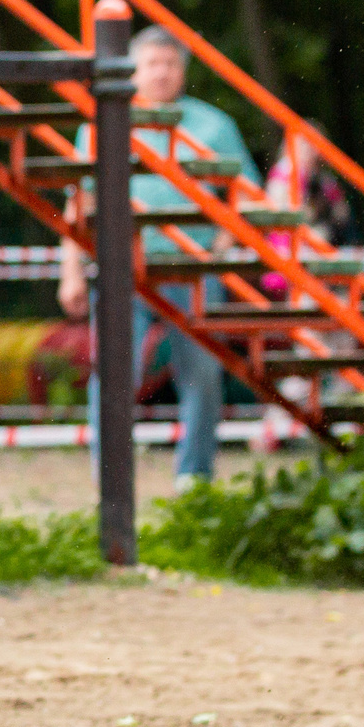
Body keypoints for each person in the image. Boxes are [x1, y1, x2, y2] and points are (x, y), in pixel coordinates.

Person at [57, 26, 260, 485]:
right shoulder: (104, 124)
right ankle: (107, 468)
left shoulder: (213, 126)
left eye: (170, 63)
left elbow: (245, 196)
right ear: (134, 69)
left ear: (182, 71)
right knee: (113, 370)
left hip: (193, 271)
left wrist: (221, 250)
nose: (161, 73)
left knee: (203, 374)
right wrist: (69, 272)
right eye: (152, 63)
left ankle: (195, 476)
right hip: (121, 268)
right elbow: (79, 204)